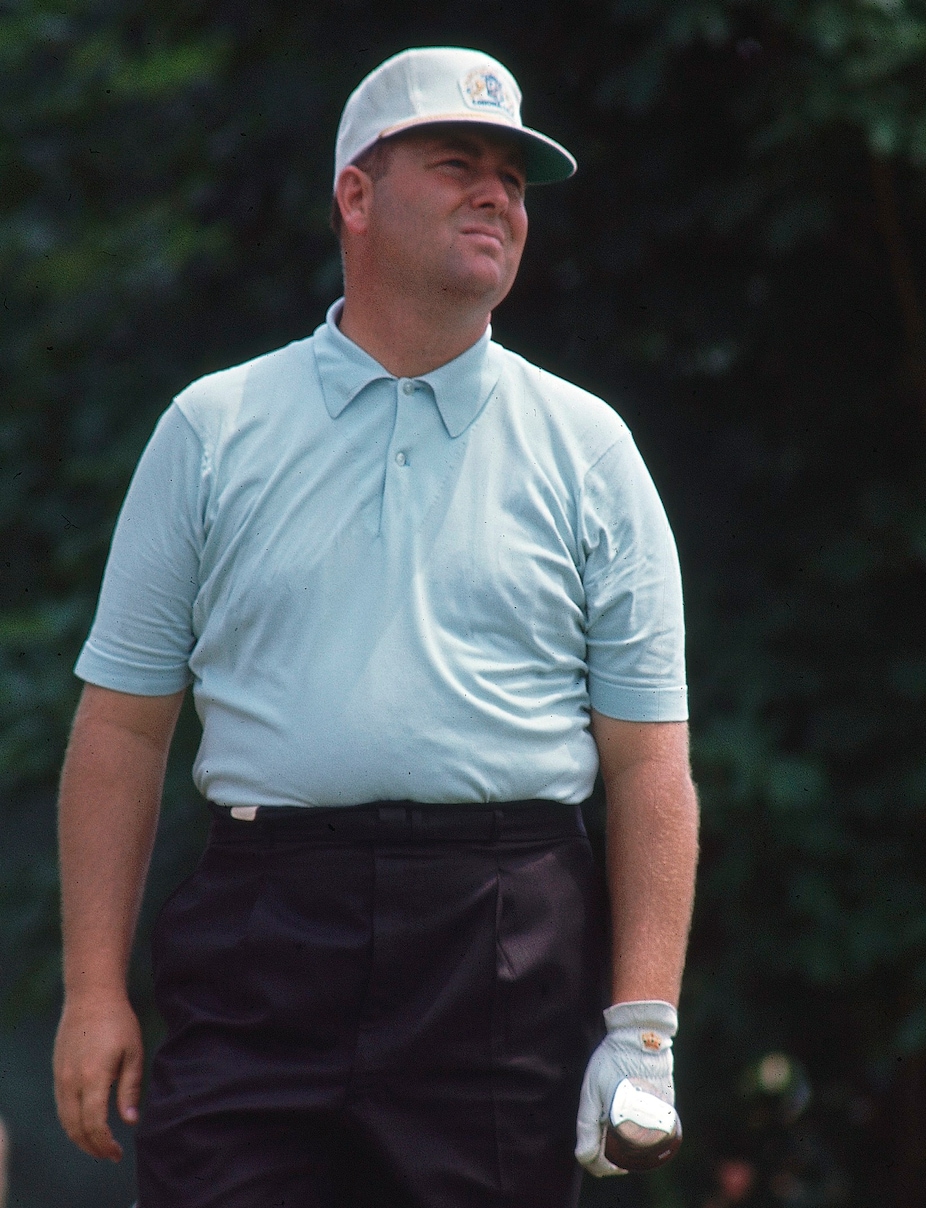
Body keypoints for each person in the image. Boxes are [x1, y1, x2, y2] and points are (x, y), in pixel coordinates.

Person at [53, 46, 698, 1208]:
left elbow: (650, 763)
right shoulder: (211, 428)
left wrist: (642, 1029)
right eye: (458, 163)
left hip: (503, 939)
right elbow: (123, 730)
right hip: (261, 932)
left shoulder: (591, 447)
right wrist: (93, 986)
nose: (496, 193)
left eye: (513, 176)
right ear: (356, 192)